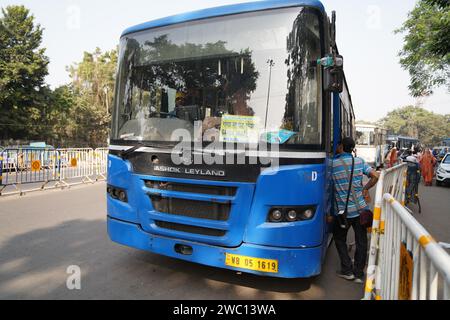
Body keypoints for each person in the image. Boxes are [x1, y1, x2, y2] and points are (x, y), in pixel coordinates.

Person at [332, 137, 380, 283]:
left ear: (340, 147)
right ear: (352, 148)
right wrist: (365, 189)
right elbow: (375, 175)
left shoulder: (332, 165)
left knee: (339, 239)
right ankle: (359, 273)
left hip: (342, 212)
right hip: (361, 210)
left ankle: (347, 270)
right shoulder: (359, 162)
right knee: (361, 241)